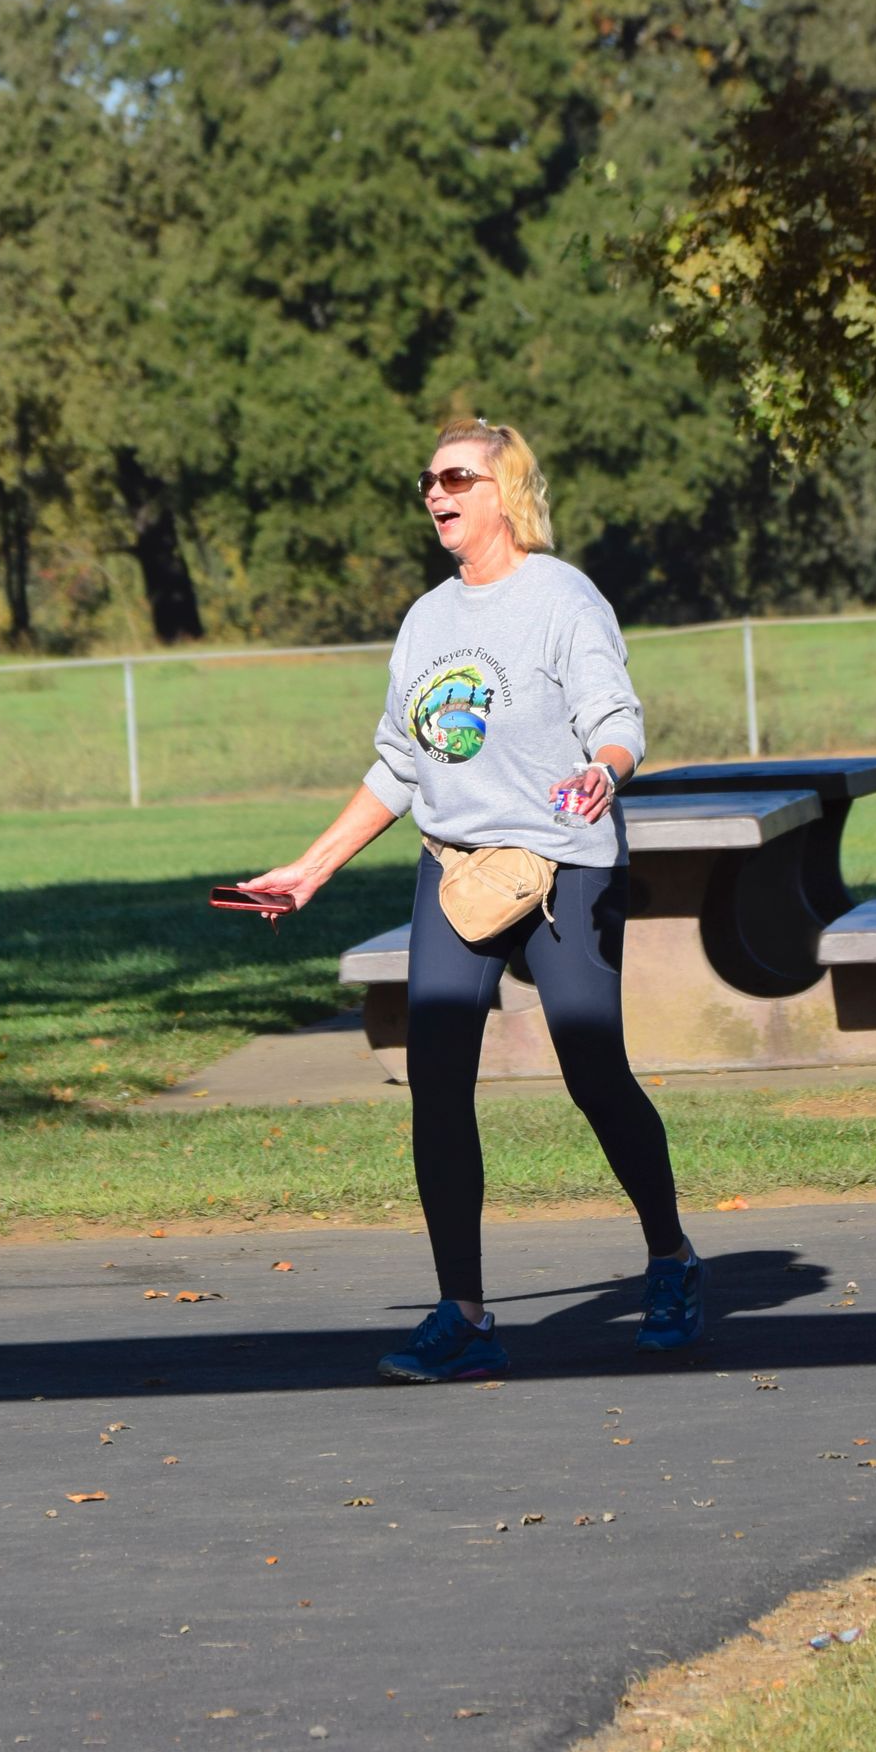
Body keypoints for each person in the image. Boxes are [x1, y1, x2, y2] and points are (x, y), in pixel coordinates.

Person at [239, 418, 700, 1381]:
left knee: (592, 1067)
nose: (437, 494)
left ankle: (670, 1258)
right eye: (428, 481)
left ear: (504, 489)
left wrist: (607, 773)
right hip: (455, 869)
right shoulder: (427, 620)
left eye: (456, 477)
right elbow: (401, 762)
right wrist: (310, 868)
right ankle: (466, 1315)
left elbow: (616, 719)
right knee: (437, 1085)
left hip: (562, 864)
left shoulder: (561, 598)